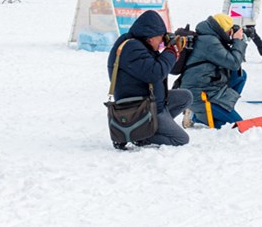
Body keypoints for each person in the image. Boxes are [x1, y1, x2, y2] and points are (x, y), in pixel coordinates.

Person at [106, 10, 191, 147]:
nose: (162, 42)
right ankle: (141, 136)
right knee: (180, 139)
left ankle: (152, 127)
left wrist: (172, 52)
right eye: (161, 38)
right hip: (140, 108)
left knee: (185, 96)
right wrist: (171, 51)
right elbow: (155, 73)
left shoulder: (140, 45)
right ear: (150, 37)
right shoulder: (131, 48)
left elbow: (156, 67)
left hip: (152, 101)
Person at [180, 13, 248, 127]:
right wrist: (238, 41)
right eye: (229, 31)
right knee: (237, 125)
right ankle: (195, 114)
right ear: (223, 31)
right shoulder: (209, 42)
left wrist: (235, 41)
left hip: (212, 88)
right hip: (202, 94)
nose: (231, 34)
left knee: (240, 75)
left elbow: (234, 64)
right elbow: (234, 62)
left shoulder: (212, 37)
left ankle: (214, 110)